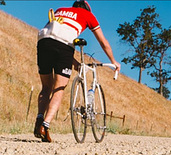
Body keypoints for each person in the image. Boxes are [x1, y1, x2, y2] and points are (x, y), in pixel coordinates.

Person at [34, 0, 121, 142]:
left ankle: (39, 118)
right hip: (64, 44)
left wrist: (73, 61)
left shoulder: (60, 10)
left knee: (46, 87)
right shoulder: (88, 15)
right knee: (59, 88)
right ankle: (45, 125)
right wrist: (113, 61)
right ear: (87, 9)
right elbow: (103, 42)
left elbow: (54, 37)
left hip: (43, 41)